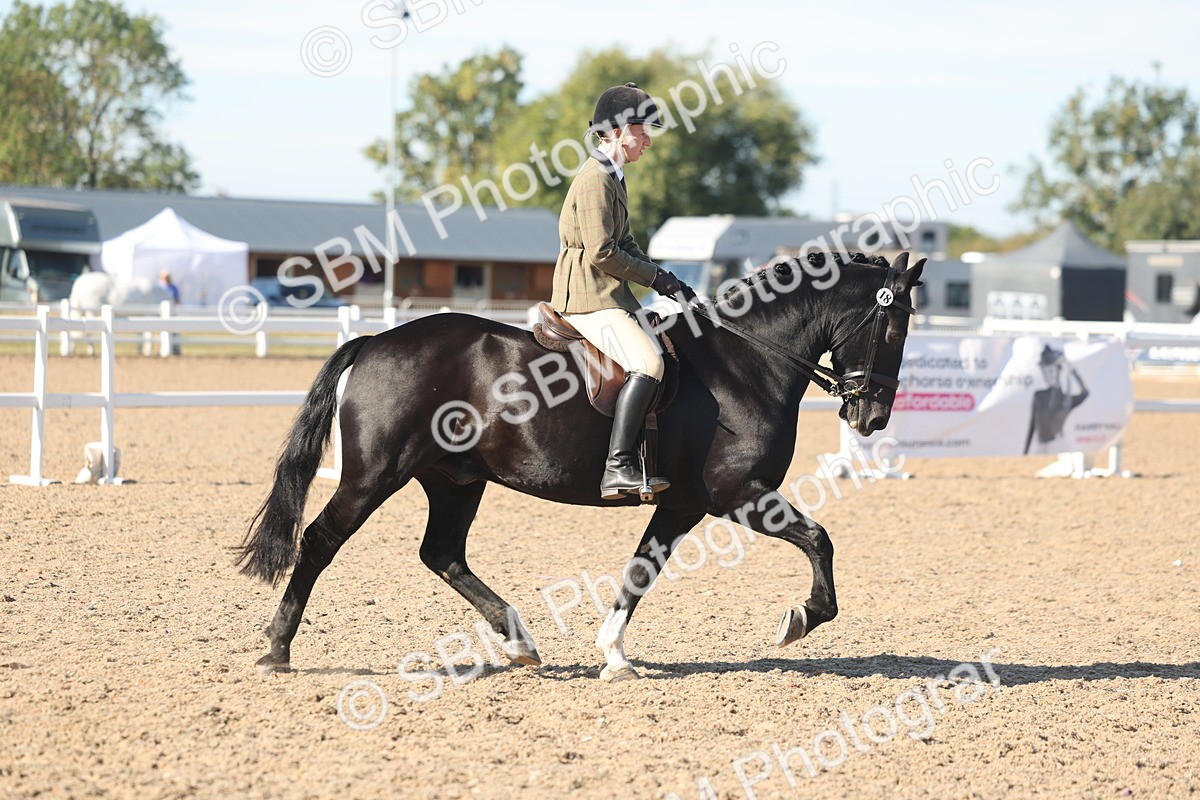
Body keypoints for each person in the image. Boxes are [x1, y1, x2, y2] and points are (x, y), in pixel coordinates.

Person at [550, 82, 692, 500]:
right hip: (588, 296)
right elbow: (602, 252)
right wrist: (655, 280)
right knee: (649, 363)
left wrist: (666, 278)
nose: (648, 141)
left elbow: (625, 243)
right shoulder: (596, 180)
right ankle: (618, 467)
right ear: (615, 131)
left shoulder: (613, 175)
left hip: (607, 293)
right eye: (641, 132)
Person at [1023, 344, 1090, 455]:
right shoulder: (1039, 395)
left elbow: (1085, 393)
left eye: (1051, 370)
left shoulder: (1066, 399)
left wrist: (1074, 372)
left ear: (1058, 371)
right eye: (1045, 371)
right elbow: (1032, 424)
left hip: (1058, 444)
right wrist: (1025, 451)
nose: (1048, 375)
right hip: (1041, 445)